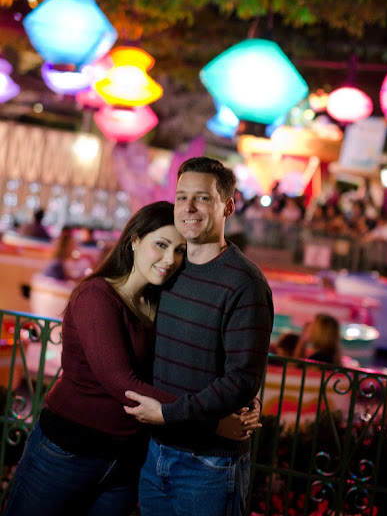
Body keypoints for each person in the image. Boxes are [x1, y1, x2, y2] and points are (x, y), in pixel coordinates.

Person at [5, 201, 257, 516]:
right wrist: (213, 422)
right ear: (134, 240)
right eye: (161, 245)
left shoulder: (158, 301)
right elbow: (123, 384)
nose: (170, 259)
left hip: (126, 459)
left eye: (179, 251)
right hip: (69, 451)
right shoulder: (96, 297)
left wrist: (240, 399)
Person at [124, 156, 274, 516]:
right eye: (181, 197)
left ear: (228, 206)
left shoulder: (244, 283)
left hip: (209, 465)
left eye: (202, 198)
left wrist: (171, 414)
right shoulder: (168, 268)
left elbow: (241, 379)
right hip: (157, 452)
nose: (188, 207)